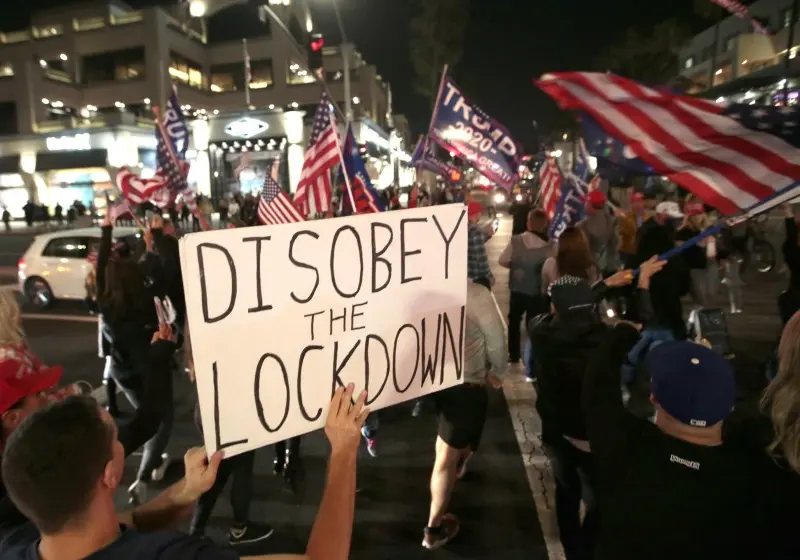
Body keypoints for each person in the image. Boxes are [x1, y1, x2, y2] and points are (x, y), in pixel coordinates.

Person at [0, 384, 369, 560]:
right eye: (115, 438)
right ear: (109, 475)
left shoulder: (19, 544)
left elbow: (127, 521)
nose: (123, 444)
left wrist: (186, 491)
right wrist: (344, 449)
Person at [583, 259, 764, 560]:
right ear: (729, 406)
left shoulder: (626, 446)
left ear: (654, 397)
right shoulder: (753, 471)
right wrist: (708, 372)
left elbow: (597, 380)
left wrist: (626, 328)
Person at [529, 275, 611, 559]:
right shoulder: (605, 341)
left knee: (566, 491)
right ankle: (589, 545)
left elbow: (561, 313)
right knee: (601, 493)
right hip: (593, 433)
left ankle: (572, 551)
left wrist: (600, 288)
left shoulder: (539, 331)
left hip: (558, 428)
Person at [423, 279, 507, 550]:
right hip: (464, 385)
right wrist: (497, 370)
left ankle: (457, 465)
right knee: (445, 457)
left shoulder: (421, 285)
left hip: (434, 379)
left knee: (449, 448)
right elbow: (496, 340)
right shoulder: (475, 293)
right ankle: (433, 529)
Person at [498, 209, 551, 364]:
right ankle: (534, 355)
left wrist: (516, 267)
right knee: (535, 323)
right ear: (544, 225)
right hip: (537, 291)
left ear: (529, 223)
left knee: (514, 321)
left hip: (517, 289)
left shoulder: (516, 240)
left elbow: (502, 260)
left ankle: (514, 355)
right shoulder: (550, 245)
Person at [579, 190, 619, 276]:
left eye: (586, 202)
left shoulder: (582, 226)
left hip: (591, 273)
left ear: (589, 204)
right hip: (611, 270)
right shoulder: (613, 222)